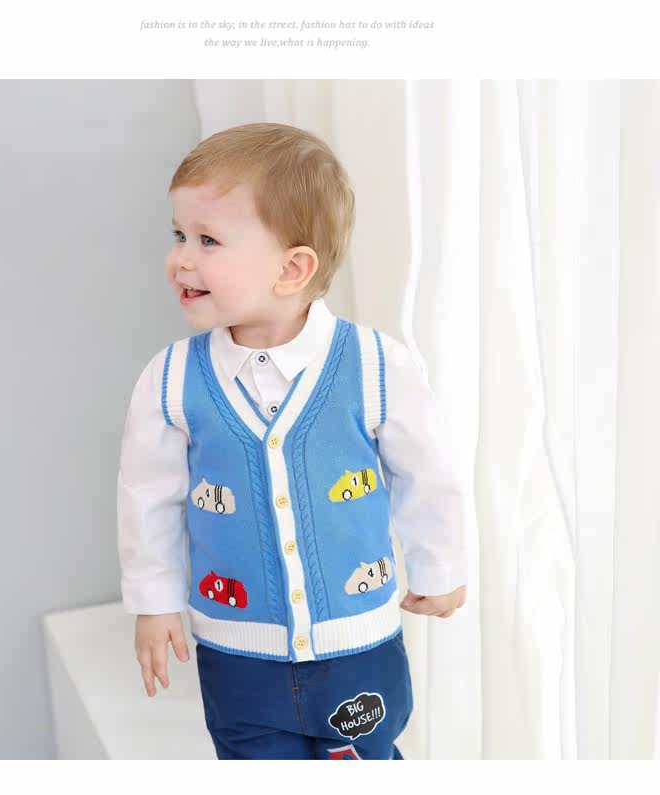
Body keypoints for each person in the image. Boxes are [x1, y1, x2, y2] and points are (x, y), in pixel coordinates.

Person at [116, 122, 468, 760]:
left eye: (208, 240)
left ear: (292, 268)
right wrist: (154, 601)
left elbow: (425, 473)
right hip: (236, 652)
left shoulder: (375, 365)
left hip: (357, 643)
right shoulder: (169, 380)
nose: (182, 259)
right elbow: (148, 500)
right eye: (179, 235)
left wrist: (438, 566)